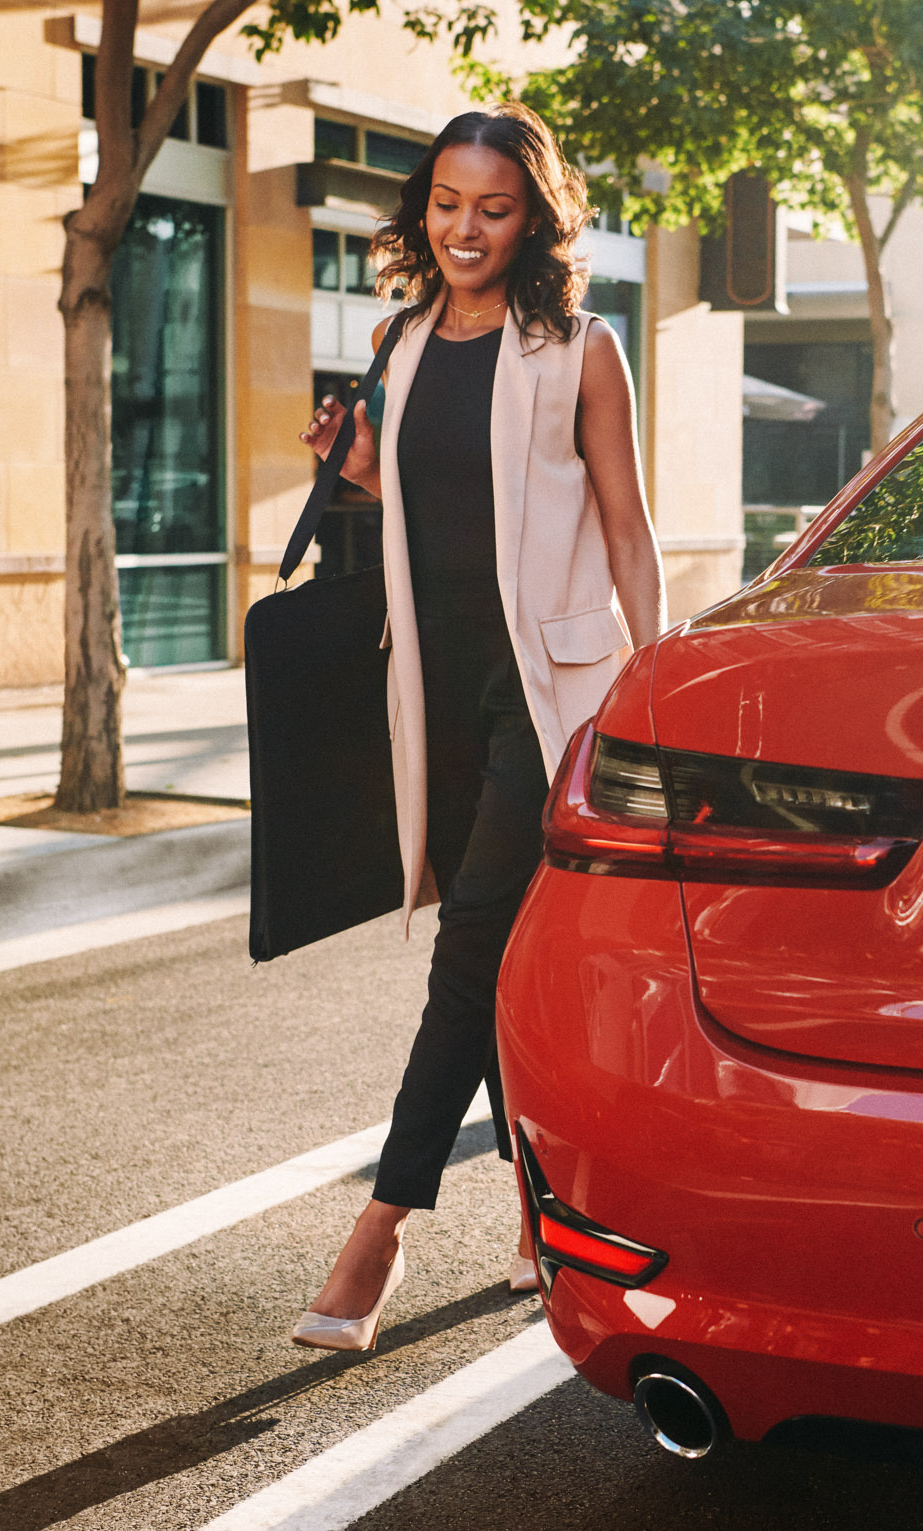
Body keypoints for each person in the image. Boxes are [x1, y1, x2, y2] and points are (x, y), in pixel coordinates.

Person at [291, 105, 665, 1350]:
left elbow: (624, 527)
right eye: (447, 204)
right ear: (422, 207)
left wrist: (649, 680)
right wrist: (354, 466)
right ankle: (536, 1204)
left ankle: (379, 1229)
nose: (465, 228)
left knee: (465, 954)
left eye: (493, 208)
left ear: (534, 218)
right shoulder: (396, 344)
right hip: (434, 689)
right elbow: (437, 504)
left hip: (545, 693)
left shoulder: (577, 348)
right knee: (497, 949)